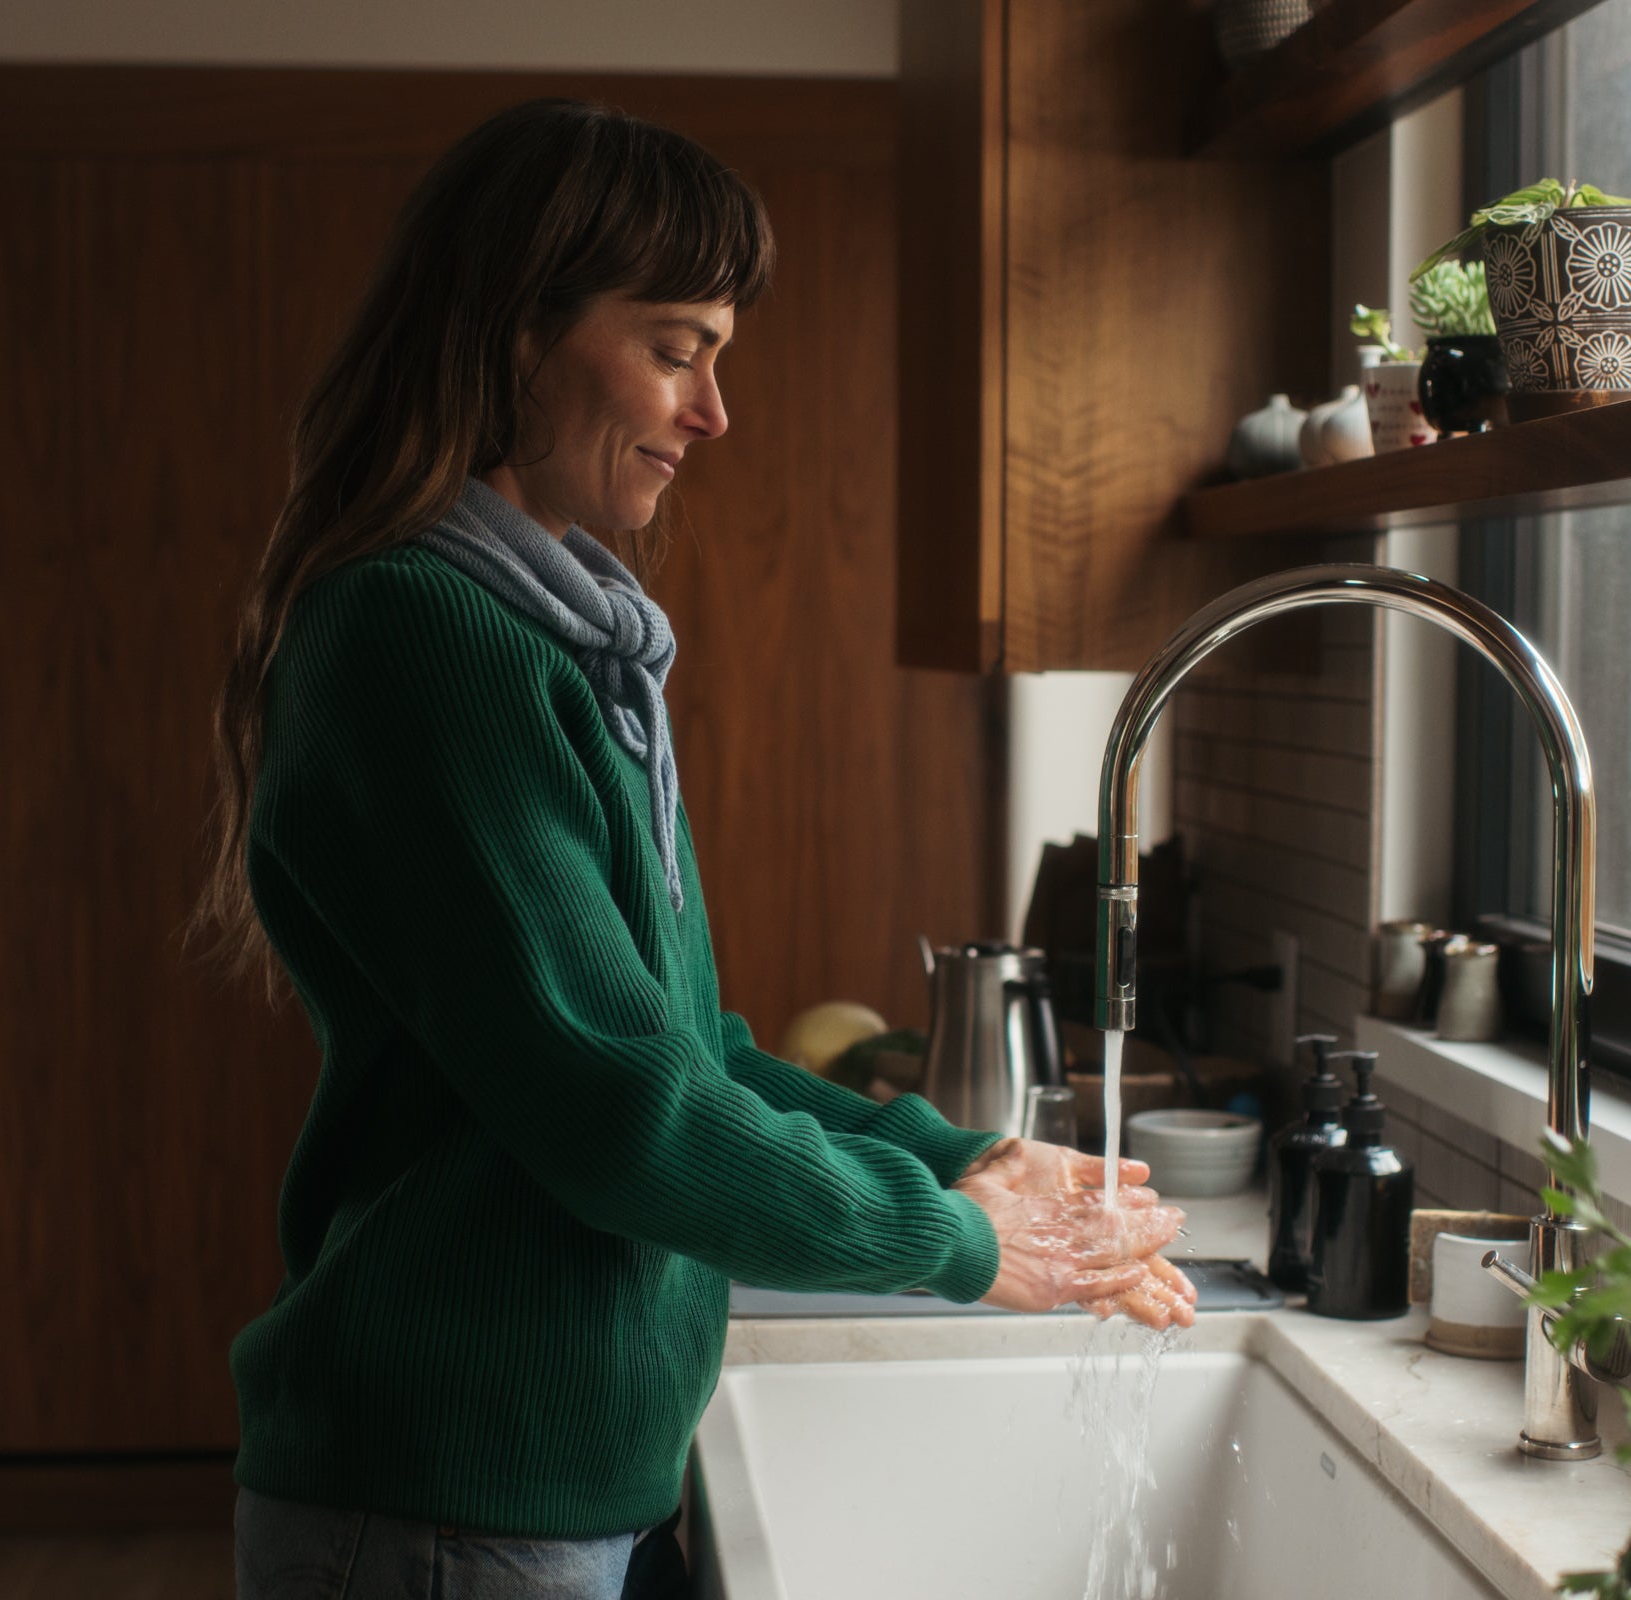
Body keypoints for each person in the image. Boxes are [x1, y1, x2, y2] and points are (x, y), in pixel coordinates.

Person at [194, 98, 1195, 1600]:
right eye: (674, 349)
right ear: (513, 333)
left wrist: (963, 1154)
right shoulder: (426, 636)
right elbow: (622, 1109)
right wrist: (964, 1243)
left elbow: (691, 1053)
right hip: (449, 1497)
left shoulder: (559, 644)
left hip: (542, 1481)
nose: (713, 412)